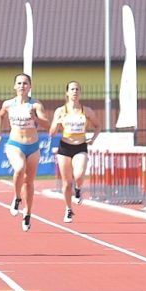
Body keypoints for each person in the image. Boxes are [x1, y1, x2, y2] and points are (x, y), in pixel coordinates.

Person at [0, 73, 49, 232]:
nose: (22, 86)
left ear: (30, 87)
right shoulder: (8, 104)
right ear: (14, 86)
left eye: (25, 83)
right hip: (15, 144)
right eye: (19, 83)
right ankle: (17, 198)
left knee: (29, 183)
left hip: (33, 146)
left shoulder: (35, 105)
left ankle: (27, 213)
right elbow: (0, 116)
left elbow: (47, 124)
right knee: (19, 168)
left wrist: (36, 118)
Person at [48, 81, 101, 223]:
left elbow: (98, 126)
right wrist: (57, 123)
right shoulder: (60, 111)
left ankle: (78, 188)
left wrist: (93, 138)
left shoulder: (86, 111)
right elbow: (52, 133)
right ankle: (68, 209)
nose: (75, 92)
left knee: (78, 175)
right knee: (66, 183)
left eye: (77, 89)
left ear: (80, 92)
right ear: (67, 93)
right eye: (72, 89)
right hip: (65, 147)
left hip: (80, 146)